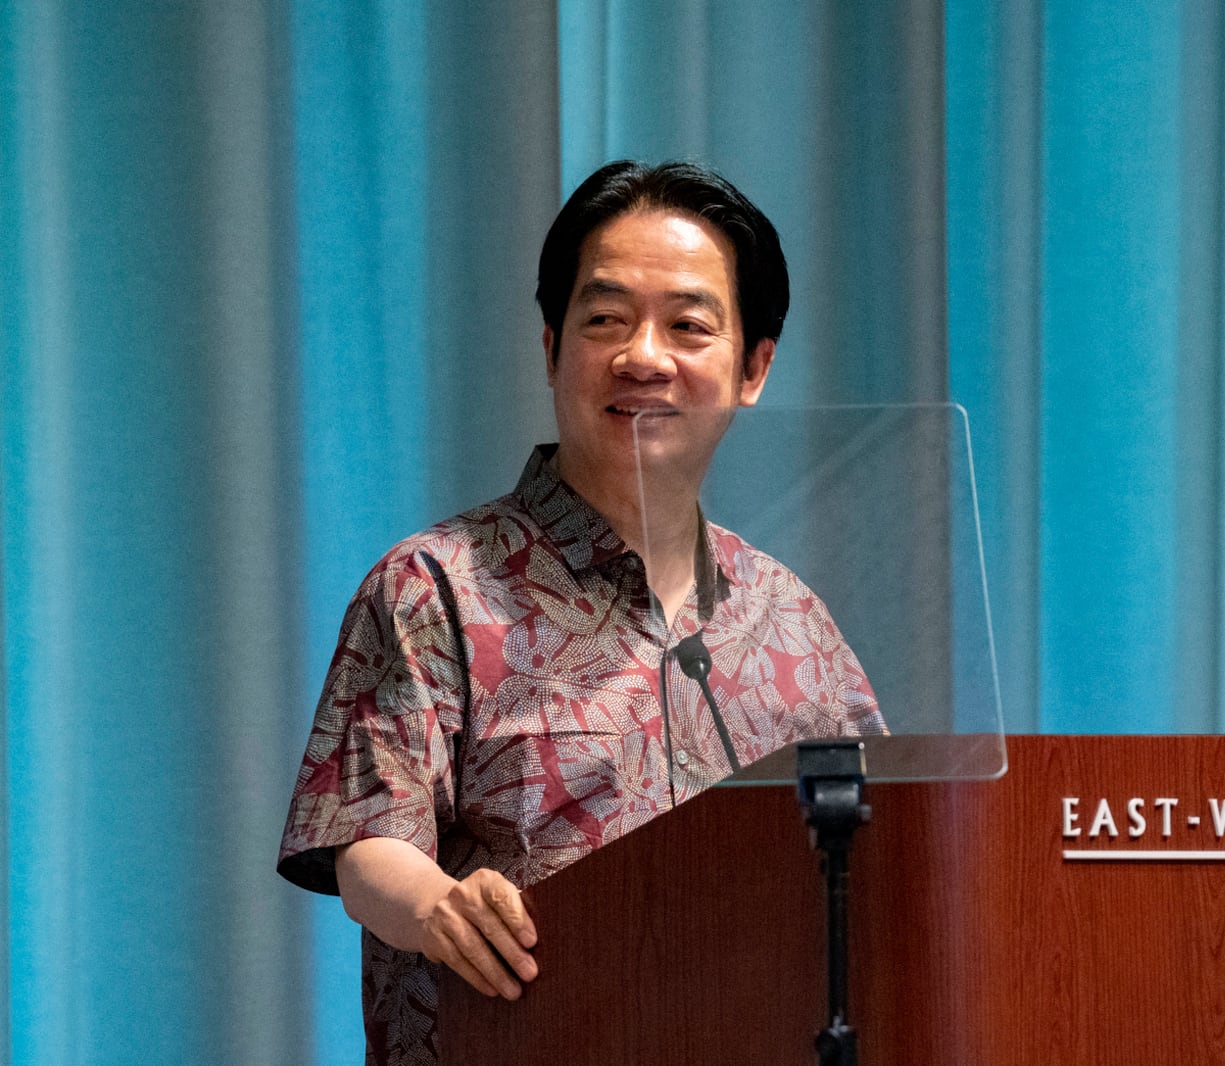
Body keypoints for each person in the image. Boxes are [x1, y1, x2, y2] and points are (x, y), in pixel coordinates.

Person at [277, 160, 887, 1066]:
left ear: (753, 368)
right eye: (605, 320)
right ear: (552, 345)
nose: (643, 356)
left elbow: (886, 854)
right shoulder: (435, 587)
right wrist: (445, 907)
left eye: (688, 325)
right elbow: (367, 849)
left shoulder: (790, 617)